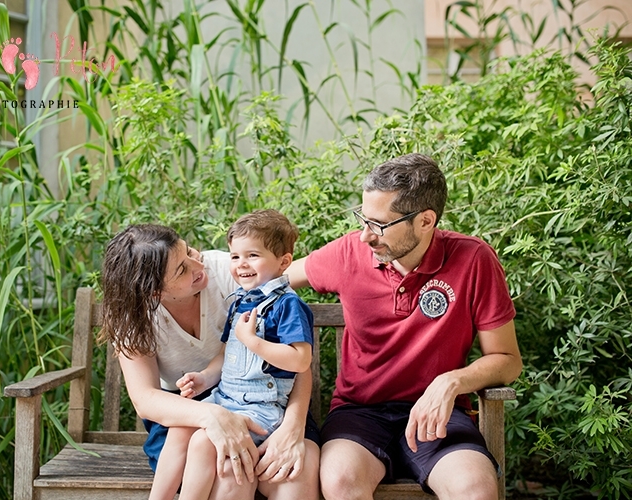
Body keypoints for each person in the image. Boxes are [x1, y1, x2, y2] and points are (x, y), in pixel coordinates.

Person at [287, 153, 523, 500]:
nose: (365, 236)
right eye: (363, 219)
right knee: (340, 480)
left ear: (426, 221)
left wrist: (451, 382)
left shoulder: (474, 259)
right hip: (359, 414)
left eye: (379, 225)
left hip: (439, 415)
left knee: (476, 490)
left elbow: (507, 359)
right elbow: (274, 278)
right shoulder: (349, 253)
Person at [100, 223, 320, 500]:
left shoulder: (232, 273)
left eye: (189, 251)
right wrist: (212, 416)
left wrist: (293, 427)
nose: (197, 265)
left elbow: (299, 362)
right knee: (226, 474)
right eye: (181, 269)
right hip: (190, 406)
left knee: (285, 479)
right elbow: (145, 400)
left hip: (270, 399)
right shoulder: (133, 316)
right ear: (154, 293)